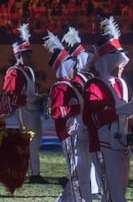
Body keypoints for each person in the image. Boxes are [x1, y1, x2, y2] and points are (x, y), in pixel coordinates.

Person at [83, 17, 133, 202]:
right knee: (114, 192)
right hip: (104, 143)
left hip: (121, 143)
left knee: (118, 191)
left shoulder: (121, 83)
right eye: (118, 62)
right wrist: (122, 110)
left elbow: (122, 112)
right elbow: (91, 119)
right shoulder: (94, 85)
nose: (121, 66)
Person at [44, 31, 91, 201]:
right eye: (73, 67)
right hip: (69, 135)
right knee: (76, 172)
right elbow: (56, 112)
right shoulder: (60, 87)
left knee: (81, 170)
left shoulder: (73, 86)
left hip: (78, 134)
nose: (76, 70)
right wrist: (77, 108)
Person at [2, 23, 48, 184]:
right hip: (24, 110)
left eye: (29, 54)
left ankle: (32, 172)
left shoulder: (29, 70)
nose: (29, 57)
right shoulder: (14, 71)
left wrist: (39, 97)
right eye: (26, 54)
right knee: (32, 141)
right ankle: (33, 174)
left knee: (36, 140)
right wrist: (34, 99)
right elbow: (11, 94)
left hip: (32, 109)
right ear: (18, 55)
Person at [62, 26, 102, 198]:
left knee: (89, 163)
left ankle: (89, 192)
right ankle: (72, 197)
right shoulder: (75, 82)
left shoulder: (91, 80)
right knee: (79, 166)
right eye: (89, 60)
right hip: (77, 128)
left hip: (87, 127)